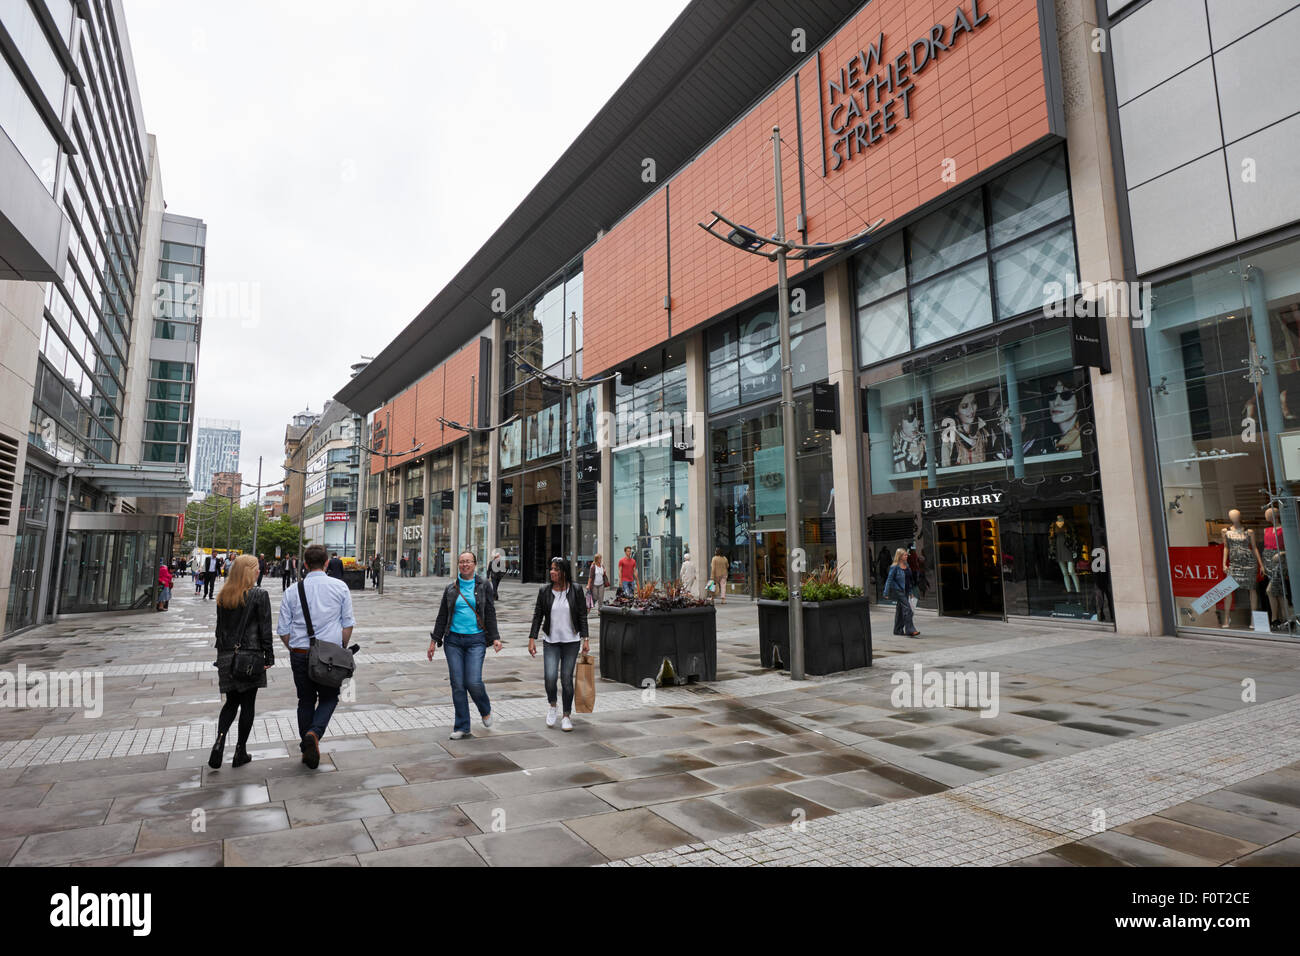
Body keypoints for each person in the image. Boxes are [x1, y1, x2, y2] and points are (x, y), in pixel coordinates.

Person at [277, 544, 356, 769]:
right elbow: (347, 623)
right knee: (330, 698)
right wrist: (341, 647)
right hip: (330, 655)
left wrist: (294, 649)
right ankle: (314, 733)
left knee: (305, 700)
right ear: (327, 563)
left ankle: (307, 744)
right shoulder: (340, 587)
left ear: (304, 564)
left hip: (300, 653)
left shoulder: (293, 590)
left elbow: (283, 629)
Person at [428, 551, 501, 740]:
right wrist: (434, 640)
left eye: (468, 562)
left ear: (475, 564)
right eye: (461, 562)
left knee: (473, 682)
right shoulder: (451, 588)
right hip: (453, 641)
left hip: (476, 640)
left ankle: (485, 709)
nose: (464, 565)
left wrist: (495, 637)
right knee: (458, 684)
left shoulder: (484, 585)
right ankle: (462, 726)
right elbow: (442, 615)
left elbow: (490, 613)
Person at [210, 555, 274, 769]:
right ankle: (240, 751)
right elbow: (265, 630)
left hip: (226, 656)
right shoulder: (259, 595)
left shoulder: (223, 595)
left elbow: (219, 630)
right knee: (247, 705)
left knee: (230, 703)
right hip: (249, 657)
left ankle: (219, 742)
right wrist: (269, 656)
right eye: (256, 569)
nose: (259, 572)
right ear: (249, 572)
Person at [527, 557, 590, 732]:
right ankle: (552, 705)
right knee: (550, 677)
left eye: (555, 569)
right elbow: (538, 615)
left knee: (567, 679)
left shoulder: (576, 590)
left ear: (564, 571)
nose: (552, 572)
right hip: (551, 641)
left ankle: (566, 716)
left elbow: (582, 615)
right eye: (551, 569)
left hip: (571, 641)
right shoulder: (544, 591)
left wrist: (586, 638)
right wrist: (532, 638)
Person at [884, 548, 920, 638]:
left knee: (900, 610)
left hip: (906, 590)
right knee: (908, 609)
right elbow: (889, 580)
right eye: (905, 555)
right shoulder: (894, 567)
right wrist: (886, 592)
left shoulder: (907, 565)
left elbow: (909, 580)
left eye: (906, 555)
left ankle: (897, 630)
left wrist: (911, 592)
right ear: (900, 556)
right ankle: (910, 630)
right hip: (898, 590)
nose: (906, 556)